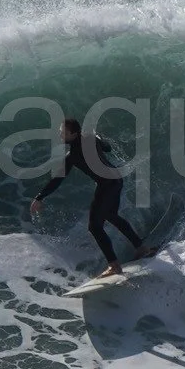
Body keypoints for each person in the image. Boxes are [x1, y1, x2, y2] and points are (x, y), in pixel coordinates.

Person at [30, 118, 151, 277]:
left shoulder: (73, 154)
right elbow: (107, 148)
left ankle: (114, 265)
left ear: (73, 134)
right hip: (116, 180)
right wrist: (98, 138)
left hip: (107, 185)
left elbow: (58, 178)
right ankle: (141, 248)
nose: (60, 135)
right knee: (111, 215)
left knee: (94, 227)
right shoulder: (91, 138)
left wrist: (40, 197)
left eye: (63, 133)